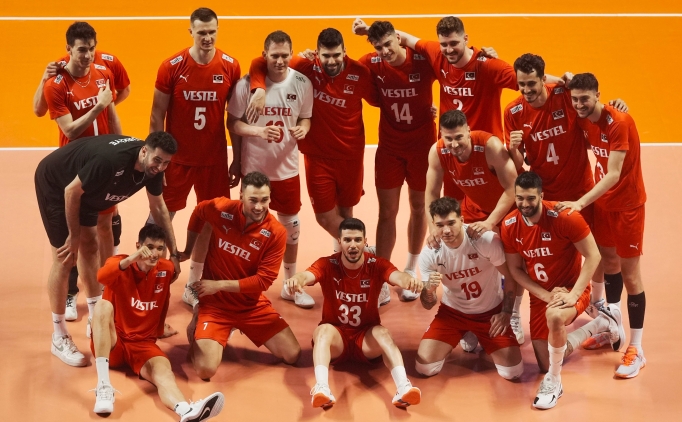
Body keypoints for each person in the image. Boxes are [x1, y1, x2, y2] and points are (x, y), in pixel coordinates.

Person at [35, 132, 181, 367]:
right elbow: (71, 191)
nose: (161, 167)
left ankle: (95, 317)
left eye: (166, 163)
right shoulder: (110, 161)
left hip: (89, 190)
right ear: (144, 151)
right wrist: (73, 236)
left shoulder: (153, 169)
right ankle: (59, 335)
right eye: (157, 160)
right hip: (58, 184)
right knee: (65, 258)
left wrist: (174, 253)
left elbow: (159, 207)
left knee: (90, 246)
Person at [246, 28, 380, 271]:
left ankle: (346, 265)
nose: (332, 61)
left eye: (336, 55)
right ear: (317, 54)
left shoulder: (360, 73)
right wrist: (259, 88)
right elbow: (261, 61)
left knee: (346, 212)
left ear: (345, 51)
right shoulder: (305, 67)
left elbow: (381, 99)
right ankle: (366, 254)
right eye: (326, 56)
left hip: (351, 155)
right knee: (325, 217)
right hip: (318, 157)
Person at [501, 172, 623, 409]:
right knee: (545, 361)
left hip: (571, 289)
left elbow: (594, 255)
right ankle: (600, 323)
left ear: (541, 195)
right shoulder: (510, 225)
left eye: (530, 198)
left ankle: (554, 382)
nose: (525, 204)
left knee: (555, 317)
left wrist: (574, 294)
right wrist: (545, 295)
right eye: (520, 198)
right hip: (541, 295)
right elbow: (515, 270)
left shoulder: (565, 217)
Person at [149, 7, 241, 309]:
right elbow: (157, 116)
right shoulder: (171, 67)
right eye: (202, 32)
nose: (207, 37)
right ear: (191, 32)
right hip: (177, 161)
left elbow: (234, 118)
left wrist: (237, 158)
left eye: (212, 31)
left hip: (213, 161)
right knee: (161, 218)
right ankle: (152, 281)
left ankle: (193, 284)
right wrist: (156, 162)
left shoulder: (230, 66)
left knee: (211, 222)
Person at [559, 73, 647, 378]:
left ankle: (637, 348)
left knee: (630, 275)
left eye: (585, 98)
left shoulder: (619, 122)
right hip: (604, 206)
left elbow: (613, 174)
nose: (579, 104)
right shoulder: (584, 120)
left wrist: (580, 202)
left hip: (627, 207)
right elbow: (553, 83)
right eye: (575, 99)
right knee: (608, 262)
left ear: (598, 95)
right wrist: (565, 78)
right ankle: (612, 326)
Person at [38, 21, 126, 323]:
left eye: (91, 49)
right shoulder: (56, 84)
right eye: (81, 50)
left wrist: (123, 151)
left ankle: (108, 289)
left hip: (104, 166)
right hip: (75, 168)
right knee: (75, 238)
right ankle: (72, 294)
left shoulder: (103, 74)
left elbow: (112, 116)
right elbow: (70, 130)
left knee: (105, 227)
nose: (87, 55)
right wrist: (98, 106)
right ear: (68, 50)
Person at [284, 218, 422, 409]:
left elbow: (398, 276)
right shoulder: (327, 264)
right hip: (337, 340)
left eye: (357, 240)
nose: (353, 245)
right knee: (322, 331)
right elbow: (306, 275)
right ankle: (322, 388)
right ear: (339, 242)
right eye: (347, 240)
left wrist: (409, 281)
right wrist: (296, 280)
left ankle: (403, 387)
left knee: (383, 332)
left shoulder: (377, 264)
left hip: (365, 339)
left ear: (365, 241)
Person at [90, 224, 223, 421]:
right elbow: (101, 277)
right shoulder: (120, 264)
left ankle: (185, 410)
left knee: (164, 372)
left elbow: (163, 300)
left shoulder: (166, 269)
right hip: (114, 341)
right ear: (138, 246)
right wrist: (133, 258)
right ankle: (103, 387)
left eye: (160, 248)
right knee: (102, 306)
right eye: (149, 247)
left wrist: (159, 329)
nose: (154, 253)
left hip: (143, 344)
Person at [182, 172, 301, 381]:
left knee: (292, 355)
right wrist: (187, 250)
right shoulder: (222, 209)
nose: (259, 207)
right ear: (241, 196)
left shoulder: (276, 232)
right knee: (205, 370)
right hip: (215, 306)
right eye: (253, 200)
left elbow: (263, 281)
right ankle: (199, 318)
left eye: (264, 200)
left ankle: (237, 326)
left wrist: (219, 285)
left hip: (250, 306)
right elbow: (199, 211)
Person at [351, 19, 436, 303]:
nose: (385, 51)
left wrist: (483, 52)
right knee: (386, 212)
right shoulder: (372, 63)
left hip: (422, 149)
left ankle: (410, 269)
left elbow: (452, 64)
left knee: (418, 207)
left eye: (388, 44)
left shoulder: (422, 61)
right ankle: (383, 276)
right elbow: (341, 67)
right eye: (379, 47)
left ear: (398, 39)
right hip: (389, 149)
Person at [227, 30, 314, 309]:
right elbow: (233, 123)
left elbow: (306, 117)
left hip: (287, 169)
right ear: (264, 55)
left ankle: (290, 286)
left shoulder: (302, 83)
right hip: (255, 170)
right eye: (274, 55)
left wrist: (303, 128)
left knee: (291, 228)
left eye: (284, 55)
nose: (279, 61)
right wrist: (259, 131)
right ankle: (244, 285)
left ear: (292, 54)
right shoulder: (246, 85)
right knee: (248, 227)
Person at [423, 110, 521, 347]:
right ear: (441, 136)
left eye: (459, 137)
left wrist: (490, 223)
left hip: (508, 209)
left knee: (512, 264)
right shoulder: (437, 152)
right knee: (471, 256)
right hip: (475, 208)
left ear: (468, 131)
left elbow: (512, 188)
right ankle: (471, 319)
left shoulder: (489, 146)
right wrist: (432, 227)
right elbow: (431, 192)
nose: (454, 144)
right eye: (448, 139)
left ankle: (513, 315)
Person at [416, 197, 522, 379]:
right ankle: (467, 332)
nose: (446, 230)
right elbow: (427, 304)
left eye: (451, 223)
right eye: (440, 225)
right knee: (424, 368)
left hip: (489, 313)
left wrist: (506, 312)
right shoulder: (429, 254)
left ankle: (476, 333)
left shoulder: (485, 241)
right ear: (433, 225)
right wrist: (429, 291)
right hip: (452, 313)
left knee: (513, 372)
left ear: (462, 220)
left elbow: (511, 276)